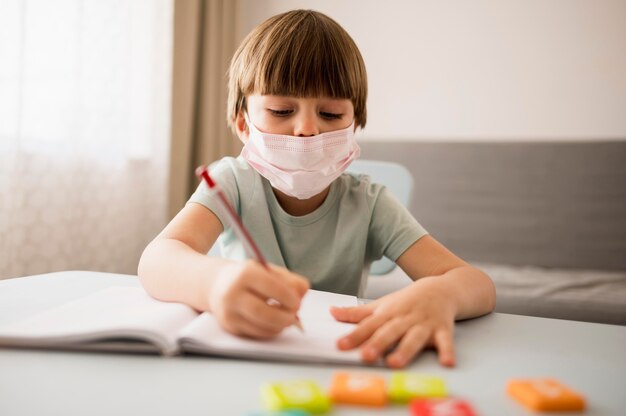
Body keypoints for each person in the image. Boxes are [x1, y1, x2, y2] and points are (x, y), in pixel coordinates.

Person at [138, 9, 496, 368]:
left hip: (334, 359)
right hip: (243, 356)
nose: (307, 129)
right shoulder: (231, 181)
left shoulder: (369, 204)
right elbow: (157, 260)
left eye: (330, 114)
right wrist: (214, 285)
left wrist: (441, 294)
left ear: (355, 124)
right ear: (243, 125)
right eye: (280, 110)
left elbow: (477, 284)